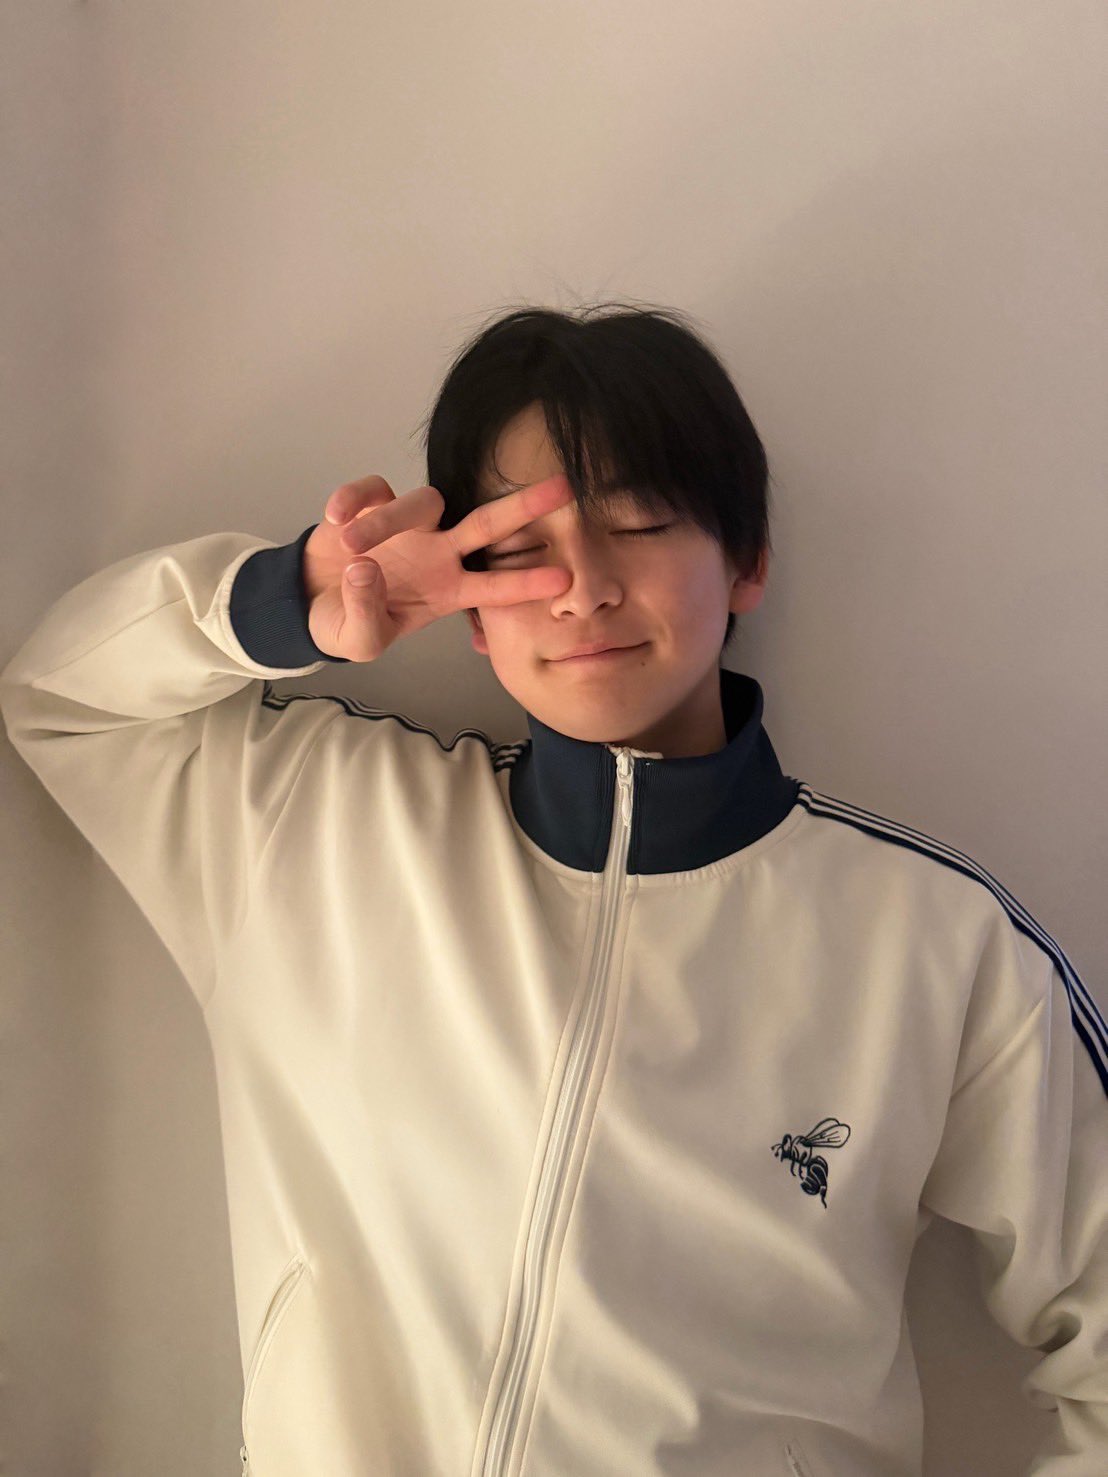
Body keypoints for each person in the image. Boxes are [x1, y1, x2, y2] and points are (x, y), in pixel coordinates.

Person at [2, 301, 1105, 1476]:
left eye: (638, 521)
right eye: (517, 549)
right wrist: (295, 598)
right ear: (469, 607)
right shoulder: (310, 825)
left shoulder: (935, 943)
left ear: (746, 559)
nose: (581, 589)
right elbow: (65, 701)